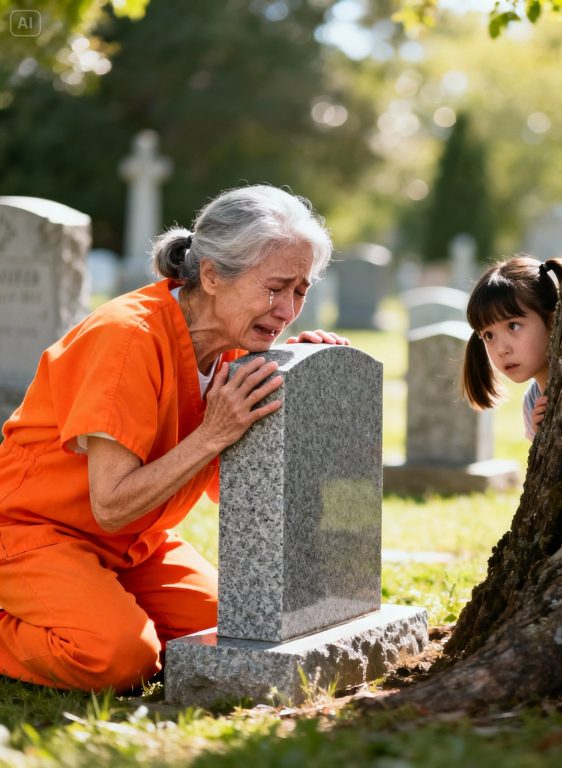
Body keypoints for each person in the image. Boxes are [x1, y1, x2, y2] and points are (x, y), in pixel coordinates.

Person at [0, 184, 348, 693]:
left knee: (241, 629)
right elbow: (111, 506)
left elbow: (230, 491)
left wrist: (295, 376)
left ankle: (103, 605)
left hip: (138, 545)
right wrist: (213, 434)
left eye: (300, 291)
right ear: (211, 275)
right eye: (275, 288)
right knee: (120, 658)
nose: (287, 310)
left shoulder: (238, 348)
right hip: (31, 532)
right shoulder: (125, 338)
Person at [460, 255, 562, 440]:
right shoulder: (531, 402)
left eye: (513, 326)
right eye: (489, 335)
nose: (502, 350)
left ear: (552, 319)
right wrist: (540, 437)